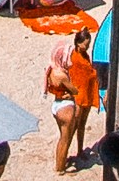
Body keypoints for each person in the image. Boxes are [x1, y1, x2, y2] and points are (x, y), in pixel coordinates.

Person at [43, 29, 101, 171]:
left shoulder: (84, 56)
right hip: (78, 96)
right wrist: (72, 93)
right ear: (78, 43)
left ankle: (79, 151)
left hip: (85, 93)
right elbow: (72, 81)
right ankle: (62, 163)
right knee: (70, 131)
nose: (87, 47)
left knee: (81, 125)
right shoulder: (72, 59)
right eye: (85, 44)